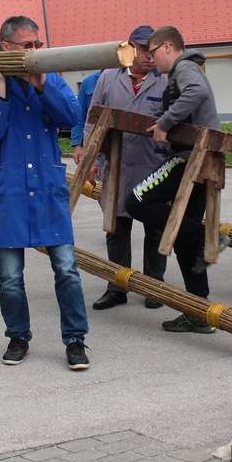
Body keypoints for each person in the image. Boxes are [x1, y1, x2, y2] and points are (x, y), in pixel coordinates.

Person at [0, 15, 90, 370]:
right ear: (5, 46)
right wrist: (1, 88)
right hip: (7, 191)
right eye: (27, 45)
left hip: (46, 188)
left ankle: (75, 340)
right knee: (10, 277)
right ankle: (17, 336)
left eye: (38, 44)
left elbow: (71, 117)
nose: (35, 50)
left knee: (67, 269)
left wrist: (42, 86)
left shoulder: (50, 76)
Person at [126, 25, 221, 334]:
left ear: (167, 46)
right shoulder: (182, 71)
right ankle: (199, 312)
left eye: (153, 52)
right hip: (202, 162)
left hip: (190, 160)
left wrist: (165, 123)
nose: (152, 59)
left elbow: (197, 92)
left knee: (136, 200)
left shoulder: (185, 68)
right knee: (184, 239)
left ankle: (208, 236)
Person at [80, 25, 168, 310]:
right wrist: (92, 159)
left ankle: (154, 286)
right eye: (143, 49)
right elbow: (93, 120)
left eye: (152, 49)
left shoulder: (166, 81)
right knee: (116, 228)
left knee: (155, 229)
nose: (149, 55)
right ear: (130, 49)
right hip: (116, 165)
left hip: (154, 166)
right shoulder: (108, 78)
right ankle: (117, 287)